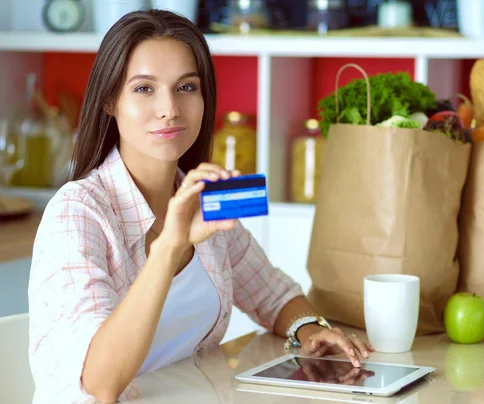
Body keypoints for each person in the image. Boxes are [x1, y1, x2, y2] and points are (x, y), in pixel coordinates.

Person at [27, 9, 374, 404]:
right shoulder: (77, 213)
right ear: (110, 100)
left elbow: (273, 296)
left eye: (186, 88)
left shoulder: (200, 197)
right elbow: (100, 381)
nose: (170, 109)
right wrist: (170, 245)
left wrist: (311, 331)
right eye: (144, 89)